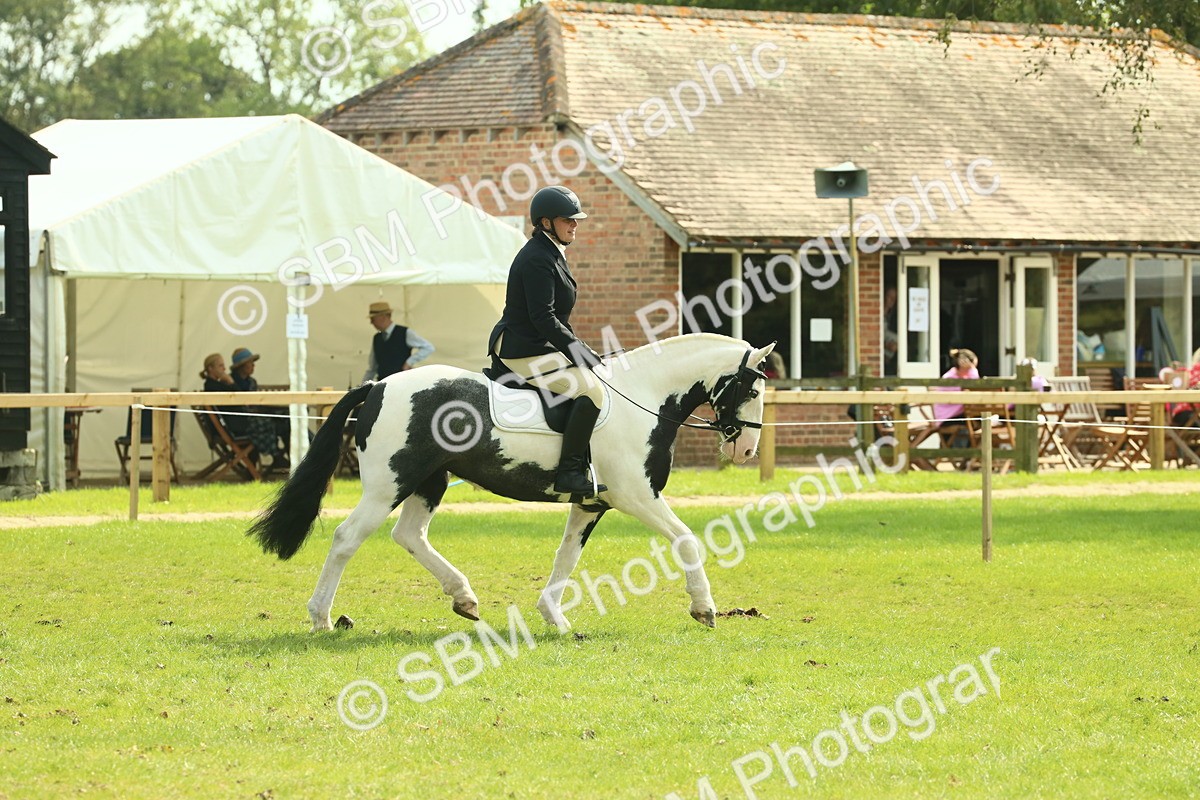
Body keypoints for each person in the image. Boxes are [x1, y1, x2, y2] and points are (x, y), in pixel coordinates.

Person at [486, 185, 607, 498]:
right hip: (521, 350)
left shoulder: (550, 253)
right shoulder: (538, 259)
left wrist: (582, 351)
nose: (575, 224)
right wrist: (580, 352)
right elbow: (544, 319)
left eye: (575, 219)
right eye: (568, 219)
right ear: (546, 222)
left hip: (537, 346)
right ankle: (568, 473)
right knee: (591, 391)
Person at [201, 349, 288, 469]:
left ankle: (274, 458)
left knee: (278, 422)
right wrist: (231, 382)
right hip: (235, 426)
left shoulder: (217, 384)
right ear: (211, 369)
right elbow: (239, 399)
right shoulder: (213, 386)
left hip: (236, 422)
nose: (224, 369)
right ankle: (275, 456)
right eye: (221, 366)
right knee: (269, 424)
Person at [362, 301, 435, 383]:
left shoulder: (405, 333)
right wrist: (362, 387)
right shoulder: (377, 338)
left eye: (373, 319)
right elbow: (372, 368)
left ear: (382, 317)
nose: (371, 322)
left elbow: (428, 347)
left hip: (402, 384)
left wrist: (409, 362)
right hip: (383, 385)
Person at [882, 286, 899, 377]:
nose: (892, 300)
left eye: (894, 298)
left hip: (891, 359)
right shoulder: (877, 313)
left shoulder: (894, 316)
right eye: (889, 297)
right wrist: (885, 345)